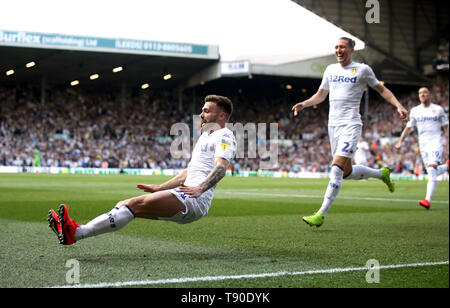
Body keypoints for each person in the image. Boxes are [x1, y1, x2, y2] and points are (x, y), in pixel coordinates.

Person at [48, 95, 236, 245]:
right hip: (185, 193)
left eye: (206, 111)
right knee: (125, 204)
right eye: (201, 110)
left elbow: (221, 167)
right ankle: (74, 232)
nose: (201, 114)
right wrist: (159, 187)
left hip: (195, 200)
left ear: (221, 116)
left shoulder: (224, 135)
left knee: (135, 204)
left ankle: (75, 233)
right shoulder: (205, 137)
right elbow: (188, 172)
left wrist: (201, 188)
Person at [292, 37, 408, 227]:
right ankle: (381, 174)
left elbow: (382, 90)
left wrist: (398, 105)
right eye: (336, 47)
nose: (339, 50)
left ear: (351, 50)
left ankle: (320, 214)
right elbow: (321, 95)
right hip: (333, 126)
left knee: (336, 169)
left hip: (351, 125)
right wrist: (304, 104)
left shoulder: (362, 70)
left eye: (342, 47)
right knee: (346, 173)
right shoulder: (330, 70)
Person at [395, 87, 449, 209]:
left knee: (431, 170)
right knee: (432, 172)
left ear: (430, 95)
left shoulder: (438, 110)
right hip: (423, 145)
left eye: (425, 92)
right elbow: (408, 127)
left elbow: (446, 126)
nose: (422, 94)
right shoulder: (415, 111)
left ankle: (427, 200)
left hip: (435, 142)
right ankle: (446, 166)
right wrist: (400, 141)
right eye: (420, 93)